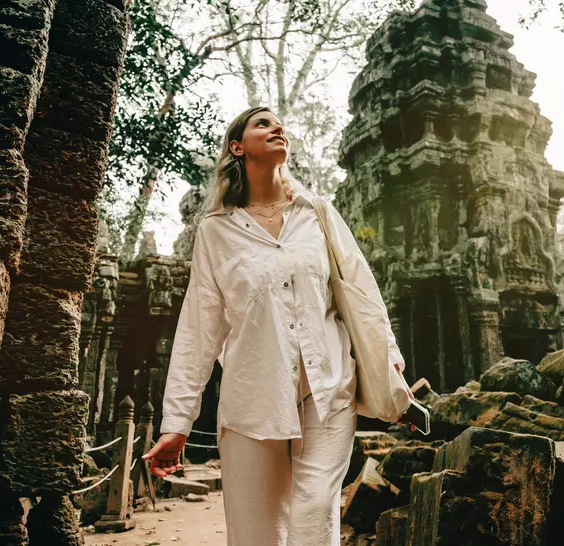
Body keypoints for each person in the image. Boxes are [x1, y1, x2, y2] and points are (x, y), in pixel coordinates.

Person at [142, 106, 409, 546]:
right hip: (253, 400)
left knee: (313, 512)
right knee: (256, 532)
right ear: (237, 147)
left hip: (329, 390)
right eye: (262, 124)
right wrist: (178, 422)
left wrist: (389, 359)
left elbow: (362, 289)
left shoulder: (317, 213)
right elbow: (199, 327)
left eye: (279, 124)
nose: (276, 128)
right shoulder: (216, 230)